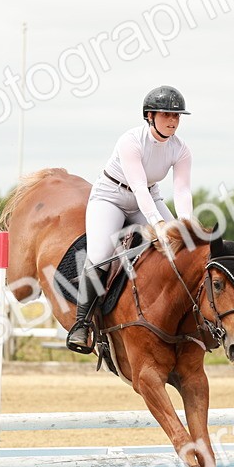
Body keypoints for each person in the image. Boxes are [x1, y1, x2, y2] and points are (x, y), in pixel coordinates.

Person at [66, 85, 195, 352]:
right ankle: (81, 325)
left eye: (177, 116)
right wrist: (157, 223)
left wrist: (185, 224)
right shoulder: (131, 141)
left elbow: (182, 190)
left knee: (183, 248)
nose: (173, 121)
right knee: (101, 254)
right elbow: (136, 185)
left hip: (149, 197)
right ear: (149, 116)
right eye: (166, 115)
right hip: (110, 197)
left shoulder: (181, 149)